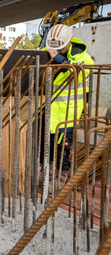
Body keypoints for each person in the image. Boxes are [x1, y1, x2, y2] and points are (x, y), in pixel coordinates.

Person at [40, 24, 93, 192]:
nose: (57, 50)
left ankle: (59, 182)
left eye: (61, 48)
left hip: (67, 115)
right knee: (44, 148)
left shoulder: (84, 58)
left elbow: (76, 71)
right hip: (46, 113)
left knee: (63, 151)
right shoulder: (45, 52)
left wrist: (57, 59)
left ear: (69, 41)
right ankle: (46, 178)